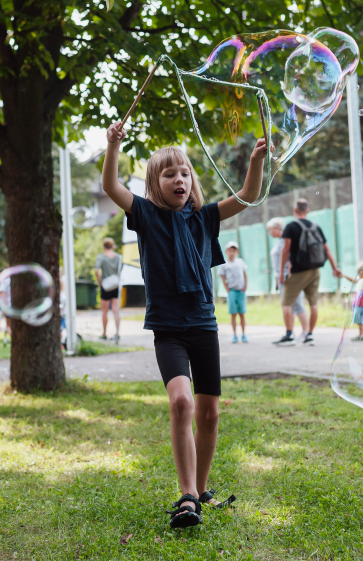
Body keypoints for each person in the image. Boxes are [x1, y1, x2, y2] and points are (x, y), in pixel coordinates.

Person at [102, 119, 268, 529]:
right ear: (154, 184)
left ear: (192, 181)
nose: (179, 179)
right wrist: (113, 146)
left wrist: (255, 160)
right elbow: (111, 187)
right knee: (181, 402)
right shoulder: (144, 214)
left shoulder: (204, 217)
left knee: (209, 415)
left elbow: (248, 196)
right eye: (169, 174)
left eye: (184, 173)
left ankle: (202, 488)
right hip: (168, 330)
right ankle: (188, 496)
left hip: (204, 326)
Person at [277, 198, 341, 346]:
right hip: (315, 271)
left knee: (286, 302)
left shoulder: (291, 227)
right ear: (307, 211)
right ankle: (310, 335)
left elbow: (285, 250)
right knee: (313, 303)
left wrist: (281, 271)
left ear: (295, 210)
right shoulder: (316, 227)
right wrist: (335, 267)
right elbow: (326, 249)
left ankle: (289, 335)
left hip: (298, 271)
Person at [267, 217, 309, 345]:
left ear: (276, 228)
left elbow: (290, 257)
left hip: (288, 277)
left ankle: (304, 333)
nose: (270, 233)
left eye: (270, 230)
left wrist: (287, 275)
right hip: (282, 277)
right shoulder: (280, 241)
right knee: (292, 305)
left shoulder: (286, 240)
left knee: (295, 304)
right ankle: (292, 333)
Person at [217, 241, 249, 343]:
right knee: (233, 313)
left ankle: (243, 334)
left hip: (241, 291)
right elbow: (223, 278)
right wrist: (228, 290)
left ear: (236, 252)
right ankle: (234, 334)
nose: (231, 252)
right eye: (230, 250)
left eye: (233, 251)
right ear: (226, 252)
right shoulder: (224, 264)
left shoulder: (240, 262)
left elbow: (244, 274)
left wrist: (245, 286)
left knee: (242, 313)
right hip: (232, 292)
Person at [94, 238, 122, 342]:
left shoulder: (101, 257)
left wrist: (100, 282)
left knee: (104, 311)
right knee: (116, 310)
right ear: (113, 245)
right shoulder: (119, 257)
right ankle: (117, 334)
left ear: (104, 246)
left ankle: (104, 334)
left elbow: (96, 270)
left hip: (105, 286)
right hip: (115, 285)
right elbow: (121, 270)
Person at [342, 263, 363, 342]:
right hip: (361, 305)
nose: (357, 274)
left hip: (361, 305)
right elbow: (354, 281)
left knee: (359, 321)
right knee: (359, 321)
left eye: (359, 272)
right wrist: (344, 276)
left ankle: (361, 334)